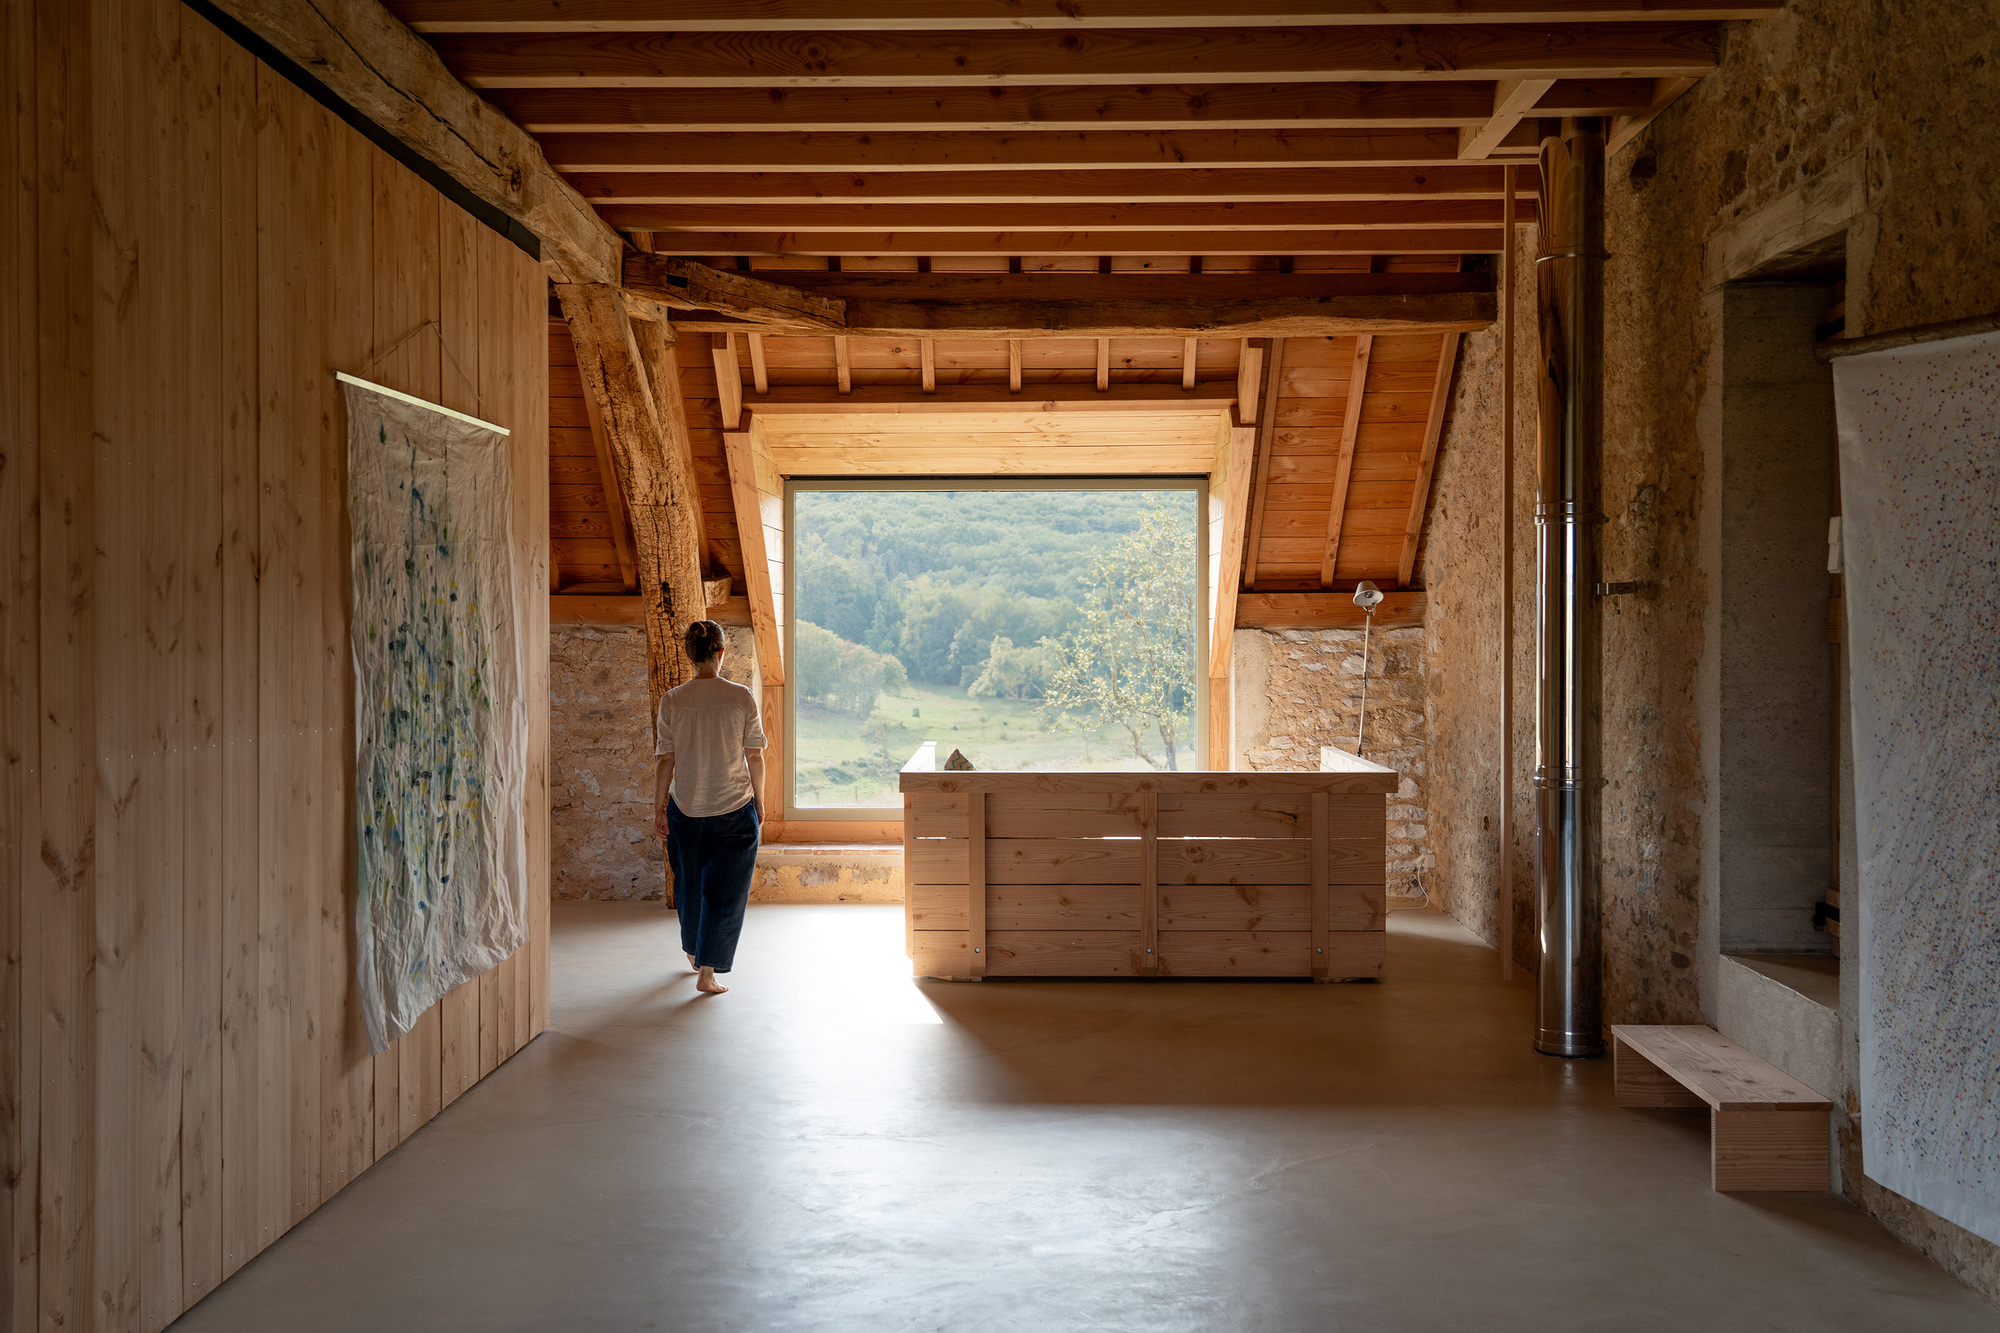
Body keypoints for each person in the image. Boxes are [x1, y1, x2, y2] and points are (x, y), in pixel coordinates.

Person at [652, 620, 766, 995]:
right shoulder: (741, 696)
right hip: (734, 806)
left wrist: (658, 807)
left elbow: (664, 759)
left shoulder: (672, 699)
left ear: (690, 655)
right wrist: (760, 802)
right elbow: (755, 756)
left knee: (688, 884)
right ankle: (708, 971)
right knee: (727, 891)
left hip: (685, 809)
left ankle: (693, 952)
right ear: (721, 652)